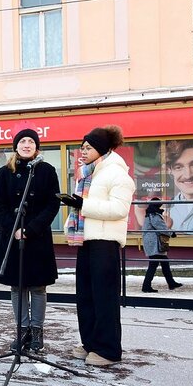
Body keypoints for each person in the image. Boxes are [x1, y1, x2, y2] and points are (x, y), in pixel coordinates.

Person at [59, 125, 135, 366]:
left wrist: (83, 205)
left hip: (105, 242)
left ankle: (108, 350)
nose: (83, 151)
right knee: (86, 296)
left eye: (88, 147)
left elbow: (119, 209)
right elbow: (84, 207)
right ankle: (90, 343)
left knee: (104, 297)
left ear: (101, 149)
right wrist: (73, 215)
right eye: (82, 147)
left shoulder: (118, 174)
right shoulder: (88, 173)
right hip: (86, 240)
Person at [0, 129, 60, 353]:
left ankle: (37, 332)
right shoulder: (5, 172)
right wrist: (14, 229)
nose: (27, 144)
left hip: (37, 237)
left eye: (31, 141)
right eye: (23, 141)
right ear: (16, 146)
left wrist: (30, 229)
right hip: (12, 237)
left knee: (38, 287)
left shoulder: (47, 171)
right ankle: (22, 330)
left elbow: (52, 205)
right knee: (17, 285)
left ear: (37, 147)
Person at [141, 198, 182, 292]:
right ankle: (146, 286)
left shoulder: (151, 214)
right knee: (153, 265)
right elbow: (161, 228)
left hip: (154, 243)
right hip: (154, 244)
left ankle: (171, 283)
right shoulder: (154, 215)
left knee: (164, 262)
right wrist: (171, 233)